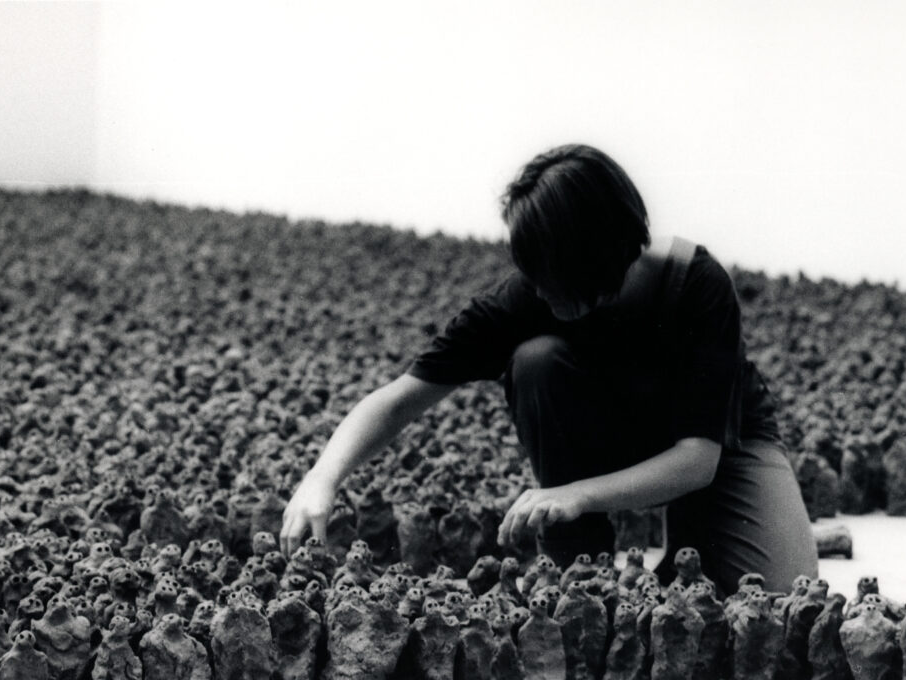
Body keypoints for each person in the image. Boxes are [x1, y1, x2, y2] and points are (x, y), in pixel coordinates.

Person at [280, 143, 818, 596]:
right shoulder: (526, 298)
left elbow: (698, 461)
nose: (537, 289)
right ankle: (578, 560)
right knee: (535, 360)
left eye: (550, 276)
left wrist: (575, 493)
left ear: (595, 259)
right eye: (531, 273)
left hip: (719, 444)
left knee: (773, 595)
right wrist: (321, 478)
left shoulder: (697, 286)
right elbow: (400, 397)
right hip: (621, 433)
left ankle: (689, 545)